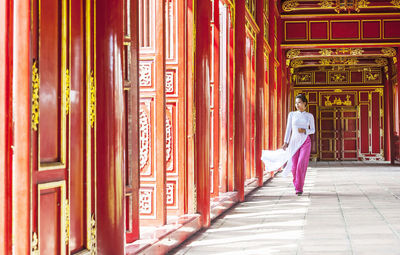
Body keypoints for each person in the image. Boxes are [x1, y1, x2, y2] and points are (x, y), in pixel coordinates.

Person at [261, 93, 315, 196]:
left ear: (304, 103)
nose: (297, 105)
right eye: (296, 103)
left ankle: (299, 188)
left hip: (305, 142)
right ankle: (296, 184)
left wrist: (305, 130)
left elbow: (313, 130)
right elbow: (288, 129)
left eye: (299, 102)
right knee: (294, 166)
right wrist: (286, 142)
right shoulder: (292, 114)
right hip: (294, 142)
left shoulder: (309, 116)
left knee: (300, 165)